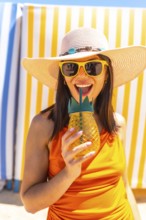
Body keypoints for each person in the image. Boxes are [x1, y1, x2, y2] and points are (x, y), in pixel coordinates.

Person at [20, 27, 146, 220]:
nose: (81, 76)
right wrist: (69, 173)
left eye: (92, 67)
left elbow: (123, 185)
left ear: (106, 75)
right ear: (63, 77)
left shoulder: (117, 123)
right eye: (70, 67)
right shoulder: (43, 126)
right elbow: (30, 204)